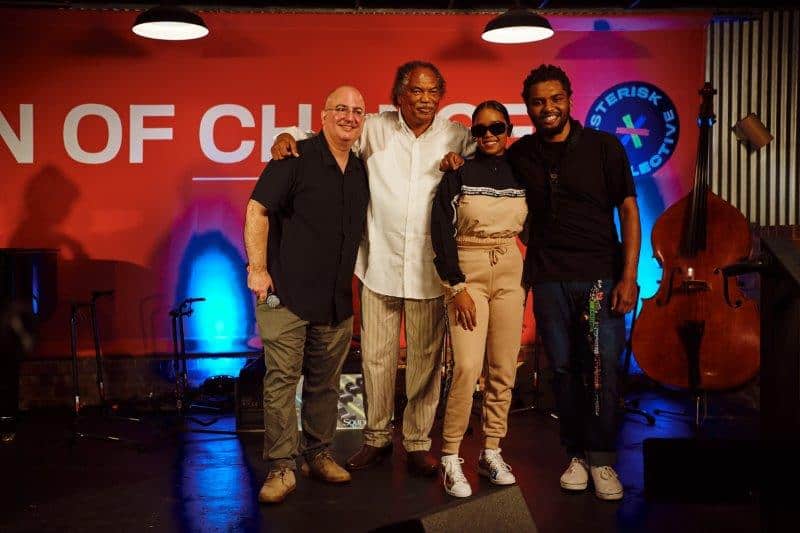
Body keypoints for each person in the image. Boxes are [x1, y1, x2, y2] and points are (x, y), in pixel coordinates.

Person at [271, 61, 473, 477]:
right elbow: (329, 135)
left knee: (424, 364)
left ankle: (417, 443)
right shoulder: (375, 128)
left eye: (433, 91)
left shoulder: (456, 135)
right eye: (416, 91)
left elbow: (492, 157)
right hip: (378, 265)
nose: (425, 99)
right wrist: (286, 135)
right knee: (376, 360)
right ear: (399, 95)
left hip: (429, 271)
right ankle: (377, 438)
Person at [509, 64, 641, 501]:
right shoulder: (521, 154)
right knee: (563, 370)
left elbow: (629, 211)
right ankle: (576, 455)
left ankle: (601, 458)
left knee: (600, 368)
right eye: (538, 102)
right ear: (528, 107)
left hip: (600, 276)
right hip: (549, 279)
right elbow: (485, 175)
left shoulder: (604, 147)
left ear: (569, 99)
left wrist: (628, 276)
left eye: (555, 99)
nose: (547, 108)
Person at [244, 85, 369, 504]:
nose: (349, 117)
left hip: (335, 298)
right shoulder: (293, 157)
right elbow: (257, 209)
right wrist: (257, 269)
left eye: (357, 111)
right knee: (281, 382)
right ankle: (282, 466)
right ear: (323, 115)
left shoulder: (360, 169)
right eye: (341, 109)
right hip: (287, 294)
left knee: (324, 383)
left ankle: (318, 454)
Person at [430, 101, 527, 498]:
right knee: (468, 366)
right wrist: (456, 287)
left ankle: (491, 451)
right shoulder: (458, 172)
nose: (488, 135)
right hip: (467, 271)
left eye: (496, 128)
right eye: (480, 129)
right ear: (473, 134)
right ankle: (450, 456)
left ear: (508, 131)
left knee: (503, 367)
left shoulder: (523, 173)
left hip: (510, 268)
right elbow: (440, 232)